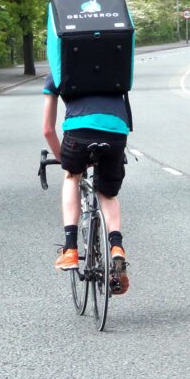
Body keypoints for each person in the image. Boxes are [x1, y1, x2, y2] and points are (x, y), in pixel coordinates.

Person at [42, 75, 130, 294]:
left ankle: (70, 248)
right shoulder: (114, 63)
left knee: (72, 177)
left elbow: (48, 130)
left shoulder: (60, 68)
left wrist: (66, 162)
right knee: (108, 195)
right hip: (117, 133)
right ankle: (117, 249)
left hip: (78, 133)